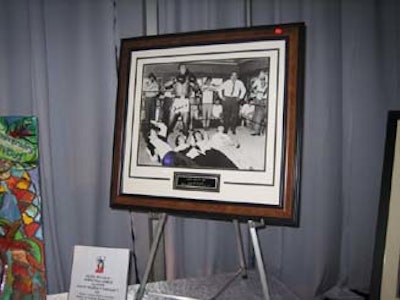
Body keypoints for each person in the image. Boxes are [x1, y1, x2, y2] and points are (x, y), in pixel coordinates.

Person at [164, 64, 199, 135]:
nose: (183, 69)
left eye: (184, 68)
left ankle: (185, 139)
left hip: (185, 101)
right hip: (177, 100)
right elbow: (165, 85)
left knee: (185, 121)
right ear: (179, 69)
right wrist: (174, 81)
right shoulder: (175, 78)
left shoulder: (189, 78)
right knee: (170, 120)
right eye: (182, 68)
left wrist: (192, 84)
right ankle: (165, 137)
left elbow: (197, 88)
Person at [250, 70, 268, 136]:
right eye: (260, 75)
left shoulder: (269, 82)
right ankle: (256, 131)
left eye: (262, 75)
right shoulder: (257, 81)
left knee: (266, 116)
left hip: (266, 100)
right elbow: (252, 88)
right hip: (258, 100)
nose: (261, 76)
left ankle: (264, 131)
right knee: (258, 115)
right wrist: (255, 92)